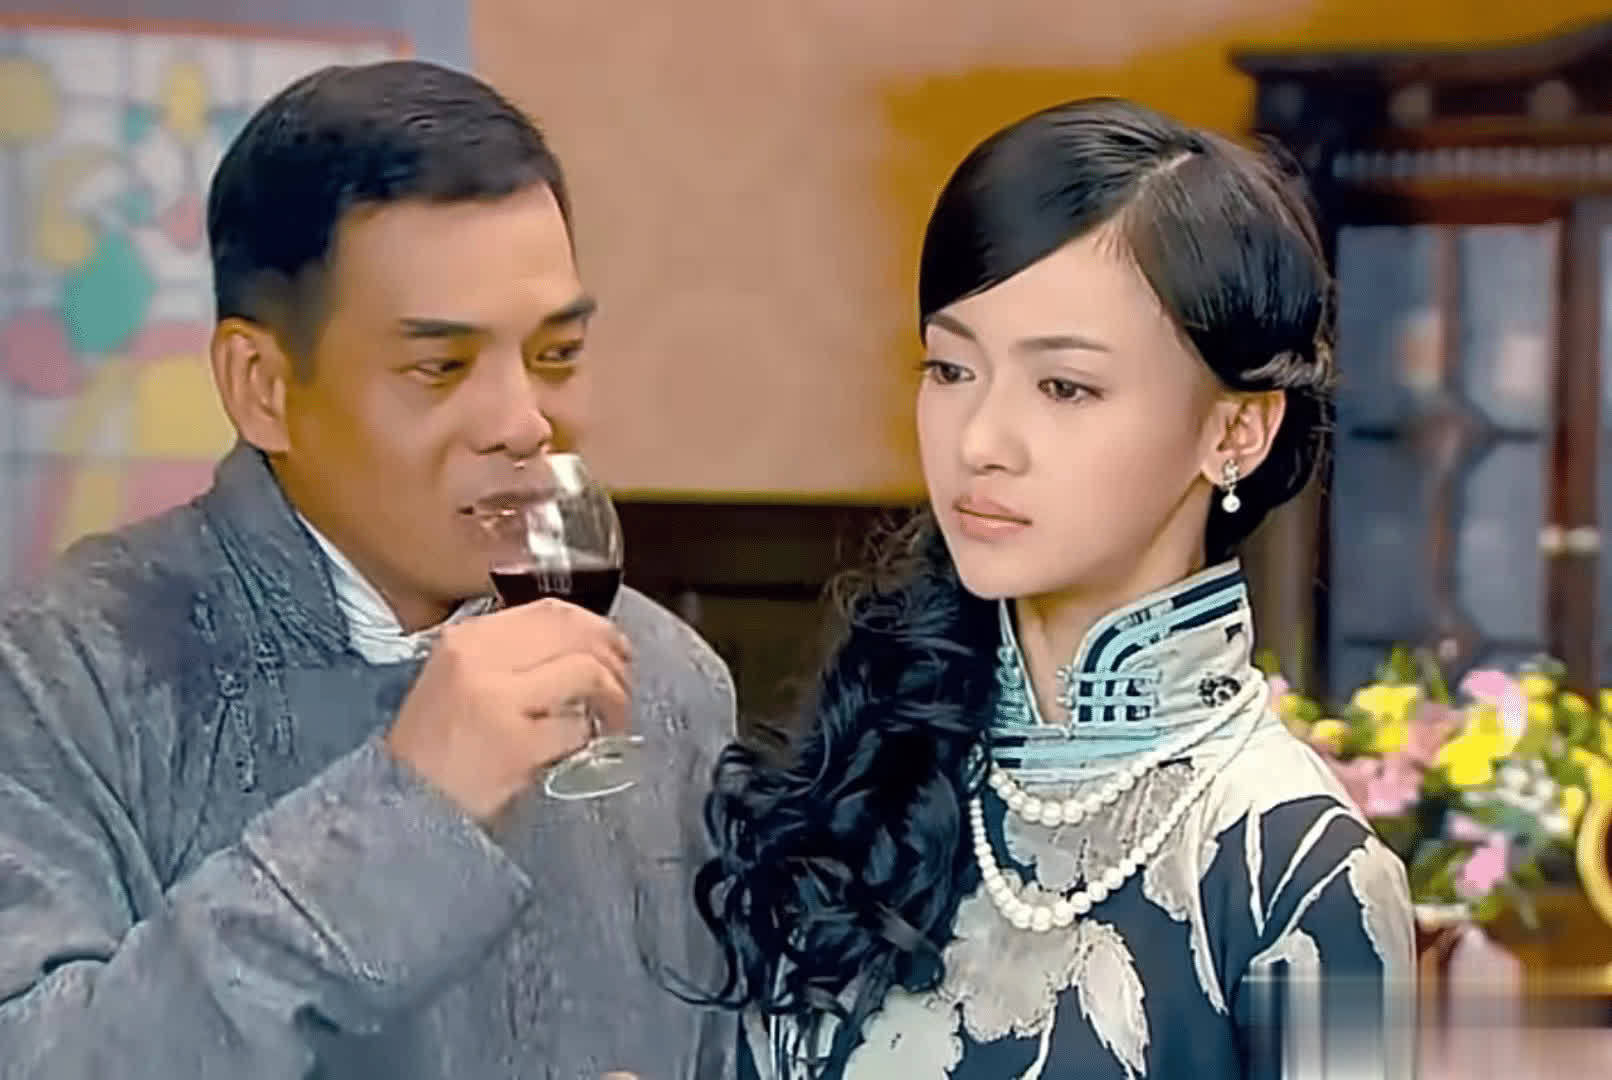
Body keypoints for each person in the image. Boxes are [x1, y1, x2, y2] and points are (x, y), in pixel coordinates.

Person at [0, 60, 734, 1079]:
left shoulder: (669, 678)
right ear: (262, 386)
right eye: (440, 367)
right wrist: (409, 807)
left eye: (556, 354)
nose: (525, 421)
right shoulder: (64, 672)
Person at [692, 98, 1415, 1079]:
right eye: (951, 369)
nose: (980, 440)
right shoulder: (866, 777)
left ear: (1235, 431)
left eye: (1064, 387)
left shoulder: (1294, 868)